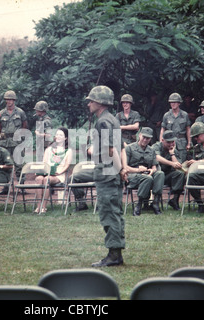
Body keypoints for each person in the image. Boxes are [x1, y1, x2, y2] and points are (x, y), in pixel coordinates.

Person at [86, 85, 125, 267]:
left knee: (109, 214)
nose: (89, 104)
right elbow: (121, 148)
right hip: (113, 173)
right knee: (115, 213)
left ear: (100, 103)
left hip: (107, 174)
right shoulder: (113, 119)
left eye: (91, 101)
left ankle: (114, 255)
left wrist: (120, 170)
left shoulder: (102, 122)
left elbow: (111, 150)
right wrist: (122, 169)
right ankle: (116, 254)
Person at [122, 127, 165, 215]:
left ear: (150, 139)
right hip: (132, 175)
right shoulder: (129, 148)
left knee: (160, 174)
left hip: (147, 174)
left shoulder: (151, 150)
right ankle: (139, 204)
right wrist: (138, 170)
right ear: (139, 135)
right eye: (144, 137)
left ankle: (155, 202)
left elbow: (154, 165)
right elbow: (125, 167)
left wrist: (152, 170)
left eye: (148, 138)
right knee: (147, 179)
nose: (145, 140)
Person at [34, 127, 72, 213]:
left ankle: (44, 206)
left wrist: (59, 172)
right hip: (47, 172)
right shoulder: (49, 149)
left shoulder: (68, 150)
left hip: (59, 175)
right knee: (39, 179)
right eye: (57, 134)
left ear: (65, 138)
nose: (58, 136)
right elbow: (44, 163)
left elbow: (67, 165)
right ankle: (38, 206)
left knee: (46, 179)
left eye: (61, 135)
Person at [0, 90, 28, 185]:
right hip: (5, 142)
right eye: (7, 99)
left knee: (19, 164)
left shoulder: (20, 112)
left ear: (14, 100)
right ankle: (6, 186)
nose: (9, 101)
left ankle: (21, 186)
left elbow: (25, 125)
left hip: (17, 142)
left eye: (11, 99)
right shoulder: (1, 113)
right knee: (6, 164)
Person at [152, 130, 185, 210]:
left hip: (167, 176)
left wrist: (172, 154)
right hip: (155, 176)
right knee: (160, 174)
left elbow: (178, 166)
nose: (171, 144)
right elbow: (157, 157)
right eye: (168, 142)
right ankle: (155, 202)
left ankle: (175, 200)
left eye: (172, 142)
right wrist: (171, 163)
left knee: (180, 174)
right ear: (162, 140)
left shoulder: (174, 150)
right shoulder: (156, 146)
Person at [160, 92, 192, 162]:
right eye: (171, 102)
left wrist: (189, 142)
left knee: (182, 162)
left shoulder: (184, 115)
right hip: (170, 142)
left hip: (181, 142)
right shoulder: (166, 115)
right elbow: (163, 129)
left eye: (175, 102)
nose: (173, 104)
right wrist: (161, 142)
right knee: (170, 161)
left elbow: (188, 129)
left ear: (179, 103)